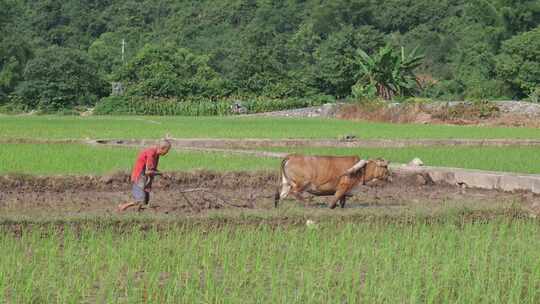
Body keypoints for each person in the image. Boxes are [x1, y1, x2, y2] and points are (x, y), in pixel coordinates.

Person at [117, 139, 171, 212]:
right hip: (139, 176)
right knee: (140, 199)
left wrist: (162, 174)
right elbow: (148, 171)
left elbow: (153, 169)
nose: (167, 152)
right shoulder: (151, 153)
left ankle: (138, 212)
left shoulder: (156, 155)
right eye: (167, 150)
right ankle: (123, 206)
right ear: (162, 148)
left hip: (144, 177)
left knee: (145, 200)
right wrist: (161, 174)